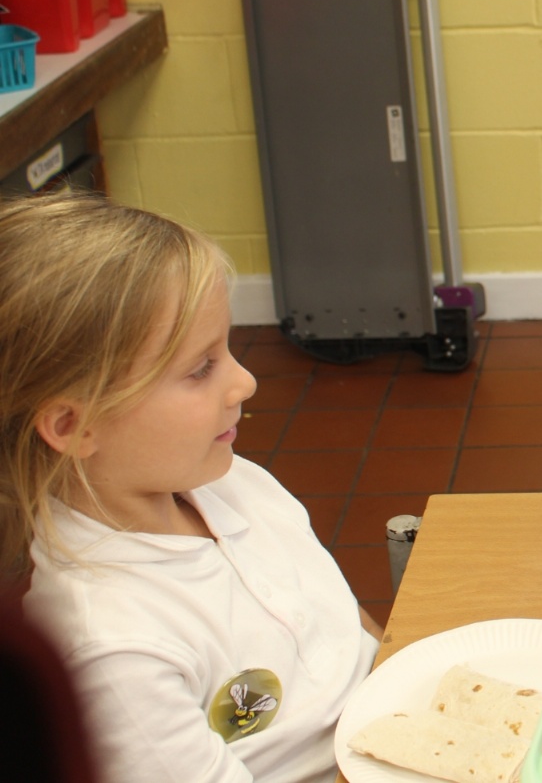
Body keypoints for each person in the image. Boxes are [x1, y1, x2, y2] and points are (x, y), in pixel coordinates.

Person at [3, 192, 380, 783]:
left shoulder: (233, 482)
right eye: (201, 369)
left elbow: (344, 625)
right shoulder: (112, 648)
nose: (246, 382)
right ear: (75, 425)